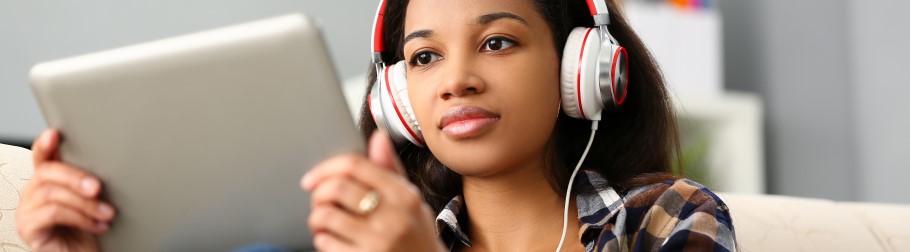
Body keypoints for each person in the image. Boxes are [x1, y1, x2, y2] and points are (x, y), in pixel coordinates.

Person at [17, 0, 735, 251]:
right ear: (397, 98)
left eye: (497, 41)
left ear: (582, 69)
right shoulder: (350, 240)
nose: (455, 77)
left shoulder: (667, 218)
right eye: (423, 56)